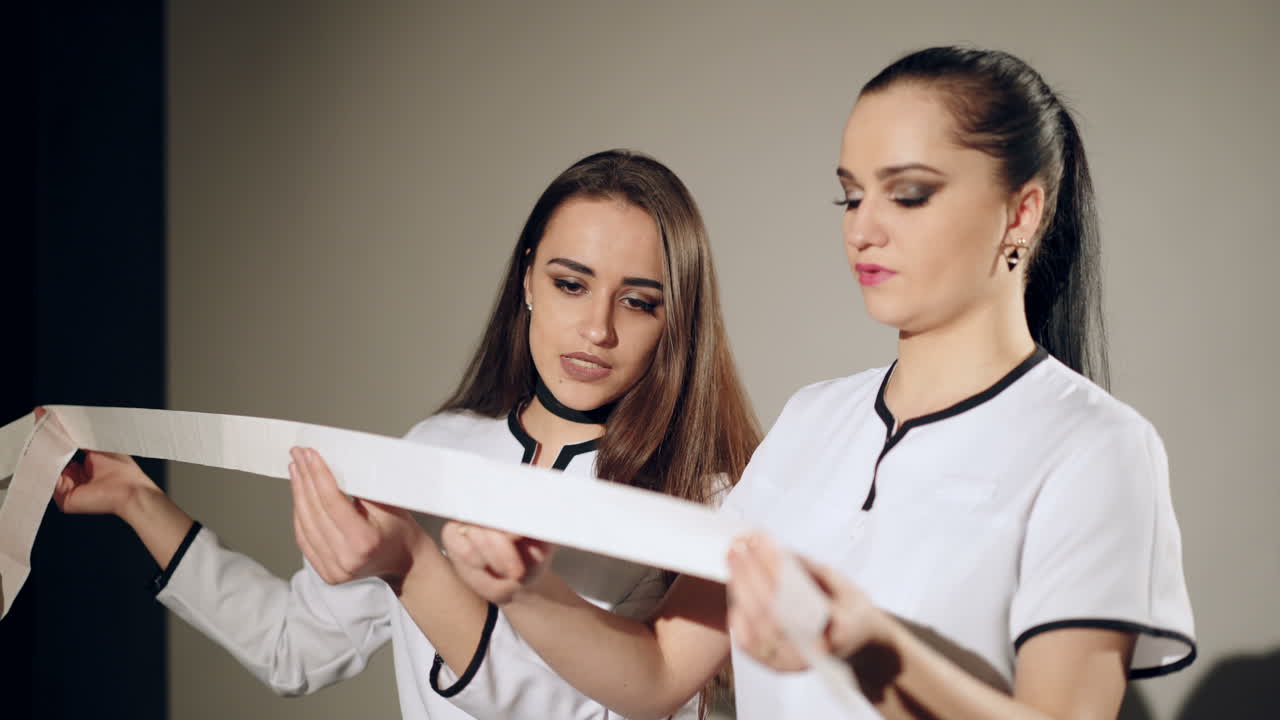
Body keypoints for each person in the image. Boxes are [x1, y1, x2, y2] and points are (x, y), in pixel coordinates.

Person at [438, 47, 1197, 720]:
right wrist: (526, 589)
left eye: (908, 194)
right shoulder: (813, 420)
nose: (862, 229)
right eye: (851, 195)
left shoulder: (1097, 447)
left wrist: (872, 652)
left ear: (1021, 213)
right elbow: (660, 673)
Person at [47, 149, 760, 719]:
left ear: (676, 320)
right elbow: (293, 648)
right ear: (527, 282)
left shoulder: (703, 500)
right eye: (571, 284)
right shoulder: (437, 448)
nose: (597, 328)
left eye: (638, 302)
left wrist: (412, 567)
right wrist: (137, 500)